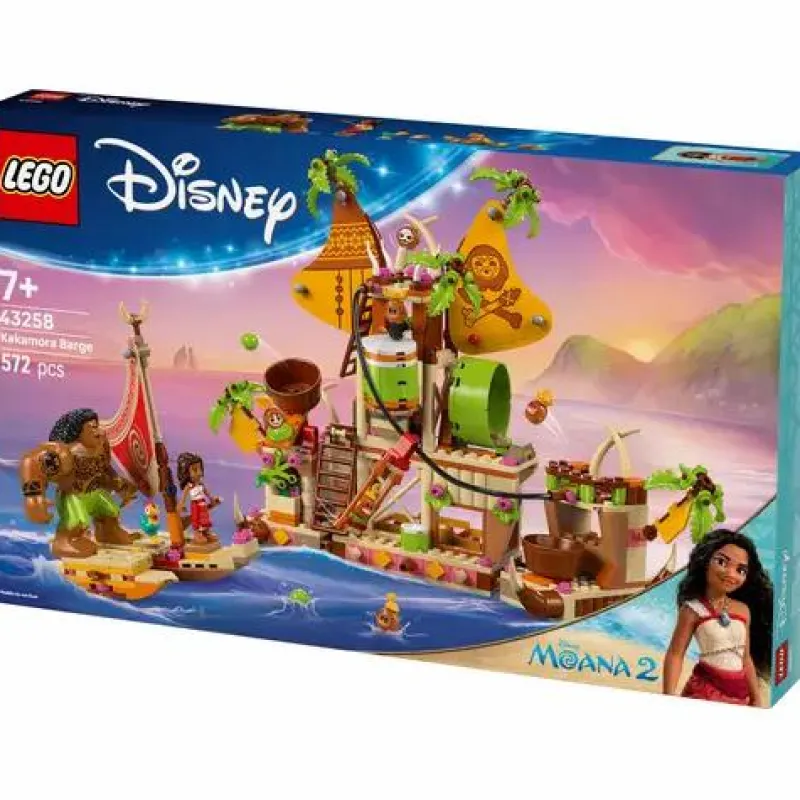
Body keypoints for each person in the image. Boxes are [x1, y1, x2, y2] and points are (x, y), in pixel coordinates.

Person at [663, 528, 773, 705]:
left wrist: (756, 697)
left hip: (739, 694)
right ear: (705, 561)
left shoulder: (743, 610)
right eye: (722, 562)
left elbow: (745, 658)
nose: (731, 574)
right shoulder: (692, 610)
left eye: (741, 570)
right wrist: (668, 696)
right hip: (705, 690)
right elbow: (675, 654)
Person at [20, 408, 138, 558]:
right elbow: (31, 461)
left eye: (97, 426)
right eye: (92, 427)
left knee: (109, 511)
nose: (99, 432)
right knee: (76, 520)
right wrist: (33, 498)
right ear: (77, 433)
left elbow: (105, 469)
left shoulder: (102, 446)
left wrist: (121, 486)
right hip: (73, 496)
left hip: (94, 492)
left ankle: (108, 533)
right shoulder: (63, 454)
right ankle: (65, 541)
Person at [177, 452, 221, 545]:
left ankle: (206, 531)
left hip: (203, 503)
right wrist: (181, 506)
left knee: (205, 517)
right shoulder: (189, 486)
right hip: (195, 505)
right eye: (195, 470)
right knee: (196, 518)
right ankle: (197, 533)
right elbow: (183, 498)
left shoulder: (201, 484)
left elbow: (207, 494)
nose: (199, 473)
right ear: (187, 473)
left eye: (200, 469)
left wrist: (213, 500)